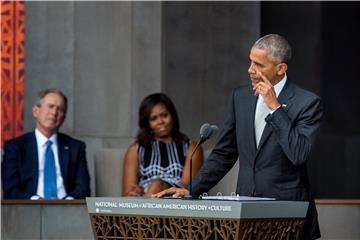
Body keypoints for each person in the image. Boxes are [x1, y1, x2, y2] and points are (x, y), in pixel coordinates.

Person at [153, 34, 322, 240]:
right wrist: (190, 190)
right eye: (250, 61)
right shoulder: (240, 97)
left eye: (259, 65)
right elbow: (224, 153)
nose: (250, 70)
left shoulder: (307, 102)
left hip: (289, 216)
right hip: (246, 213)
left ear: (281, 68)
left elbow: (299, 153)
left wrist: (275, 107)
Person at [2, 88, 91, 199]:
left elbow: (83, 189)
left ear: (63, 118)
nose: (54, 113)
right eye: (50, 106)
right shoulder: (15, 147)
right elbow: (11, 190)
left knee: (112, 209)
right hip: (29, 210)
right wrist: (36, 201)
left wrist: (67, 204)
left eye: (60, 109)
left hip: (67, 210)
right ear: (36, 111)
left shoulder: (76, 148)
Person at [122, 93, 204, 196]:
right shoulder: (136, 149)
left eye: (164, 115)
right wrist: (135, 192)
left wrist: (160, 187)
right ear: (147, 124)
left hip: (176, 200)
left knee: (157, 185)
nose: (160, 121)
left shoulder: (191, 147)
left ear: (173, 116)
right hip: (144, 197)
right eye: (153, 118)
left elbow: (187, 188)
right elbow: (128, 193)